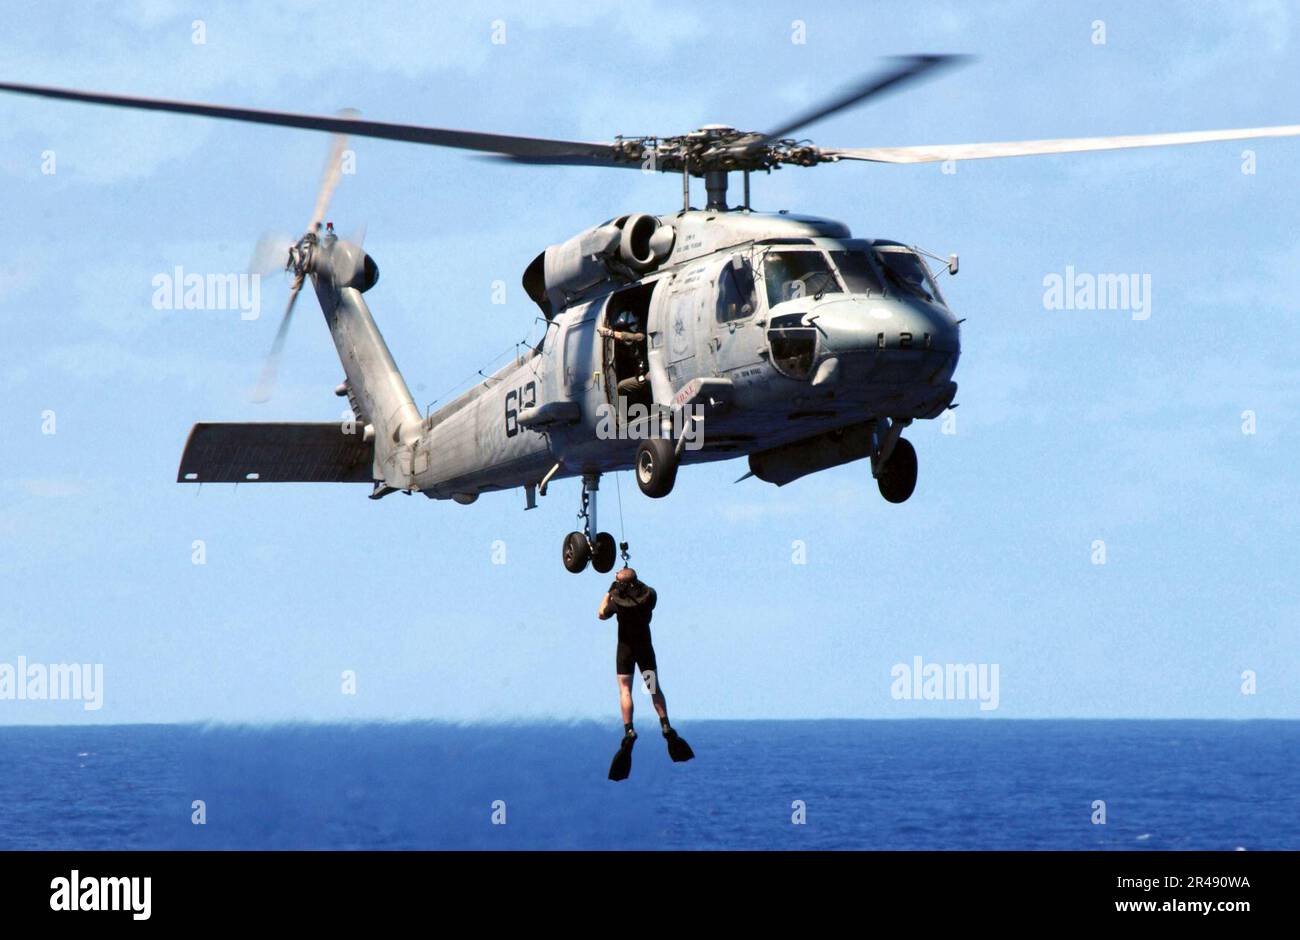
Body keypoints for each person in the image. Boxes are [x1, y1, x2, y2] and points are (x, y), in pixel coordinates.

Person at [598, 566, 693, 780]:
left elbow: (601, 613)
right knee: (653, 688)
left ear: (619, 584)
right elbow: (646, 592)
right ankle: (665, 724)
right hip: (644, 650)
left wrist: (610, 590)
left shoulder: (616, 601)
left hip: (625, 651)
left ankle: (629, 730)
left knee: (625, 690)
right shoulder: (648, 597)